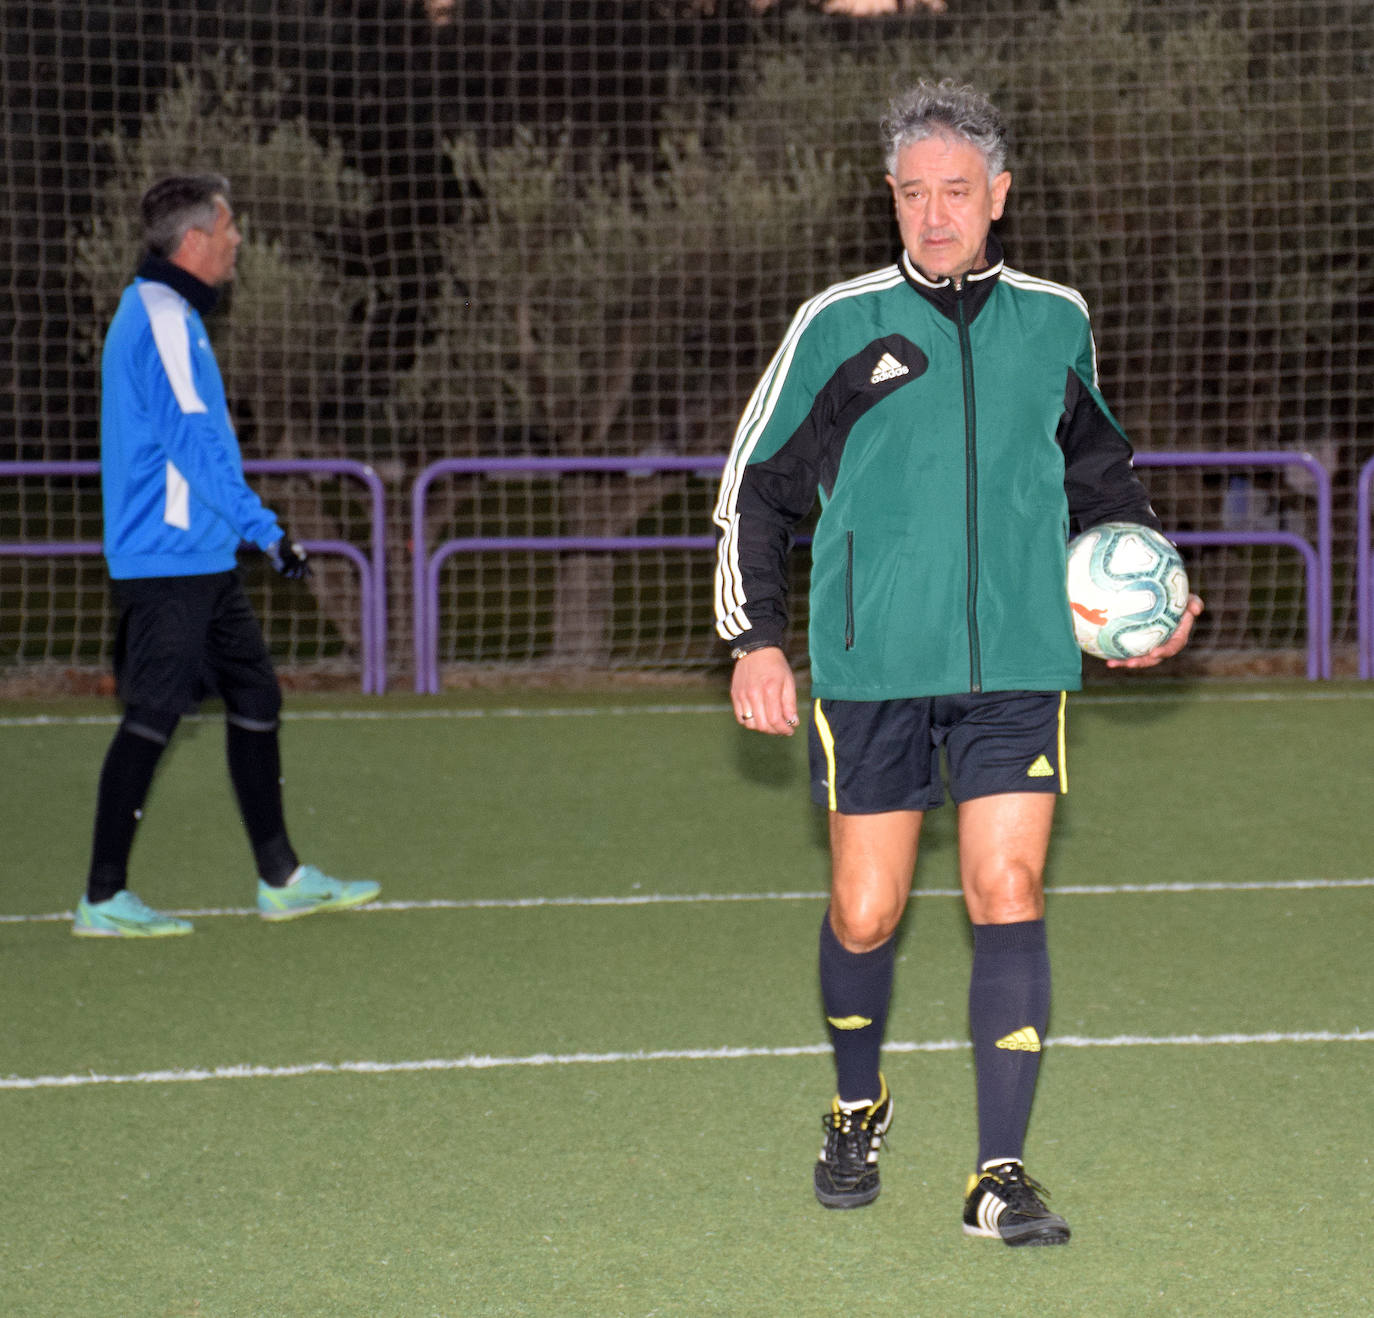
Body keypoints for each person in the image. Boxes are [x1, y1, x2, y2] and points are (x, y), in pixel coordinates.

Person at [712, 80, 1202, 1245]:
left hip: (1018, 661)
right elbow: (755, 490)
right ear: (892, 199)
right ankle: (855, 1099)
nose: (936, 215)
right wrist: (756, 638)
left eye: (957, 192)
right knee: (867, 911)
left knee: (1008, 891)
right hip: (873, 660)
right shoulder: (839, 323)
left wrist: (1151, 582)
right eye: (914, 193)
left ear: (999, 196)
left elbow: (1101, 476)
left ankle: (999, 1173)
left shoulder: (1055, 319)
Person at [72, 173, 379, 937]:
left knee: (256, 700)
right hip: (170, 559)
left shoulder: (172, 313)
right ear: (194, 241)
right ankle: (103, 897)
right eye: (230, 225)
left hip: (200, 558)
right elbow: (195, 444)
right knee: (151, 718)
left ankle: (281, 878)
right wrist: (265, 527)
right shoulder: (162, 317)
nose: (239, 238)